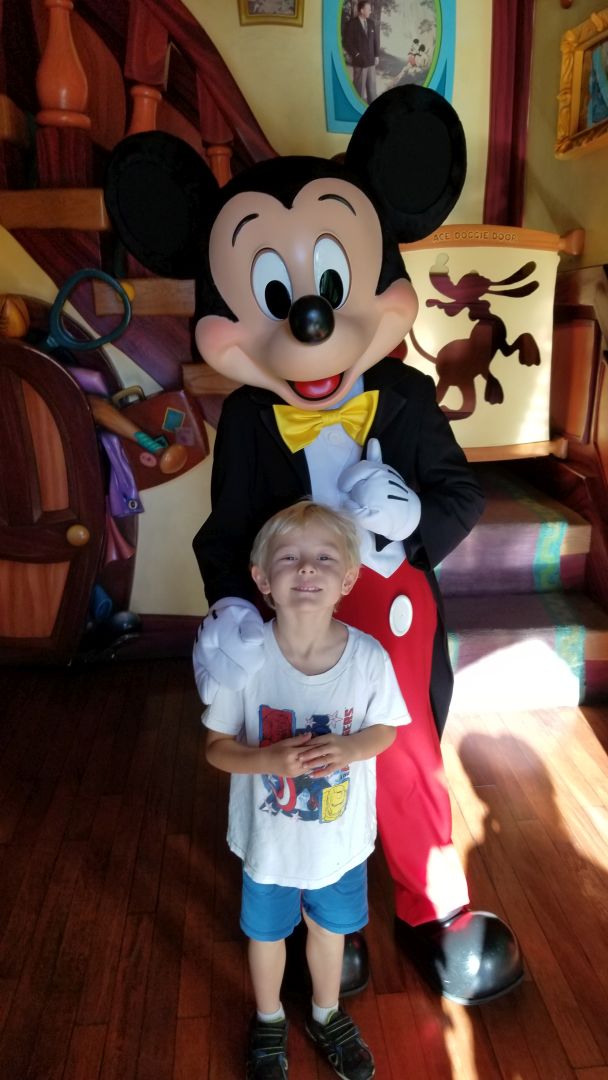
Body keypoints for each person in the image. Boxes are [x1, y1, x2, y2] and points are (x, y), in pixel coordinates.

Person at [202, 500, 410, 1080]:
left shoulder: (367, 658)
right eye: (289, 558)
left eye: (323, 558)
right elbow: (216, 746)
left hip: (338, 842)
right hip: (269, 844)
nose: (307, 568)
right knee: (266, 934)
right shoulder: (244, 662)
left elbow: (386, 729)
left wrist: (349, 749)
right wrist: (266, 759)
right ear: (262, 579)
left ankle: (326, 1013)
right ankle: (269, 1018)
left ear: (348, 579)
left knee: (329, 929)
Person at [345, 1, 379, 104]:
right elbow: (347, 42)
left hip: (371, 62)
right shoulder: (352, 24)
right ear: (362, 10)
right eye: (368, 9)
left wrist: (376, 55)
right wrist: (357, 55)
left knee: (372, 92)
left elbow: (375, 41)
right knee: (358, 91)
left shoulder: (371, 23)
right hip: (359, 63)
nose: (370, 11)